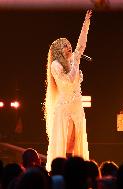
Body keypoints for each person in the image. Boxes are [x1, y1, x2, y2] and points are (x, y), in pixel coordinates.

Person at [44, 10, 92, 171]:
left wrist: (86, 23)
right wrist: (77, 62)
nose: (69, 47)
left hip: (77, 106)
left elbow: (81, 45)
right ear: (58, 49)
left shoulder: (73, 61)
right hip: (64, 107)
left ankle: (75, 169)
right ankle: (62, 169)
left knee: (75, 139)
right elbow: (70, 79)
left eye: (69, 45)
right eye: (65, 46)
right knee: (64, 139)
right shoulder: (55, 65)